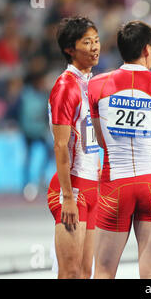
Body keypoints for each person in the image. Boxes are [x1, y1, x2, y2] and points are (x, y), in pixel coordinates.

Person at [88, 20, 151, 279]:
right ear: (148, 50)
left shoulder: (96, 86)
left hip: (114, 182)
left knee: (104, 271)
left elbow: (97, 136)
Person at [47, 16, 101, 279]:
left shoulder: (92, 83)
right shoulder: (66, 86)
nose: (94, 47)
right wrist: (68, 197)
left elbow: (90, 138)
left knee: (84, 272)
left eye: (97, 40)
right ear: (70, 48)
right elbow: (60, 145)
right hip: (73, 189)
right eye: (87, 42)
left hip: (92, 186)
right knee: (69, 273)